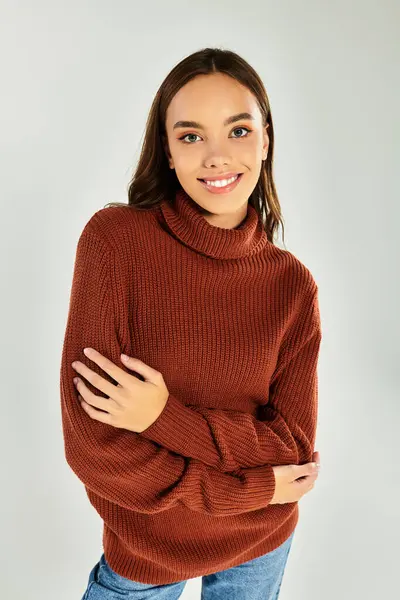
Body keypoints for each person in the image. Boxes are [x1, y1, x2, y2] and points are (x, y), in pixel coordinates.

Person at [60, 47, 322, 600]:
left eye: (239, 131)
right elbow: (95, 448)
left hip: (262, 541)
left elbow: (292, 450)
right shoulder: (115, 244)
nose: (216, 157)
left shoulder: (291, 286)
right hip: (149, 549)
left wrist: (161, 417)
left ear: (266, 139)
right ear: (168, 150)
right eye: (191, 136)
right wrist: (249, 487)